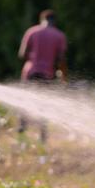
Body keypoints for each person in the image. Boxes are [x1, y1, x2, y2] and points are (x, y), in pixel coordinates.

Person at [17, 9, 67, 142]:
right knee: (44, 102)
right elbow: (61, 59)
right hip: (47, 73)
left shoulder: (32, 31)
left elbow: (22, 54)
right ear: (54, 21)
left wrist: (33, 59)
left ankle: (22, 123)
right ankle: (43, 134)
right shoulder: (59, 35)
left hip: (30, 71)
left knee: (25, 97)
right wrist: (63, 77)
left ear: (41, 19)